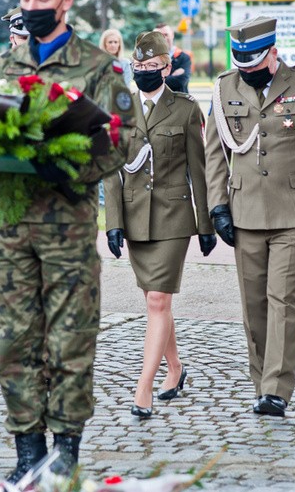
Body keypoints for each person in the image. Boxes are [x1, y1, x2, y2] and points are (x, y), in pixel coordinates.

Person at [0, 0, 135, 482]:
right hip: (14, 228)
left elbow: (124, 139)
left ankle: (65, 449)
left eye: (42, 1)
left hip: (67, 226)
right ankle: (27, 454)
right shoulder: (1, 67)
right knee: (13, 342)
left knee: (70, 339)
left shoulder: (97, 67)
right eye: (25, 2)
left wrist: (71, 166)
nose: (32, 10)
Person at [204, 15, 295, 418]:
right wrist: (217, 205)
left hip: (293, 210)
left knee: (284, 299)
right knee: (253, 304)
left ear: (273, 52)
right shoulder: (224, 87)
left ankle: (276, 387)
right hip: (244, 211)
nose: (248, 72)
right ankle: (261, 382)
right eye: (242, 65)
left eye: (254, 64)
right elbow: (214, 153)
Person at [103, 31, 215, 419]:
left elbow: (198, 172)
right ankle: (176, 368)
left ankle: (143, 386)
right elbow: (111, 170)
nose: (146, 72)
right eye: (140, 67)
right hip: (135, 217)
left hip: (173, 215)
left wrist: (206, 225)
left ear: (167, 67)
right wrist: (112, 222)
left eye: (153, 67)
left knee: (157, 300)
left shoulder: (185, 109)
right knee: (155, 300)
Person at [154, 23, 191, 93]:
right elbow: (146, 81)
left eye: (166, 34)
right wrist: (172, 76)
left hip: (180, 100)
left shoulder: (184, 57)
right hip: (157, 102)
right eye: (159, 35)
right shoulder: (149, 58)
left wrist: (157, 79)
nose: (163, 38)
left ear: (172, 35)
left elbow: (181, 81)